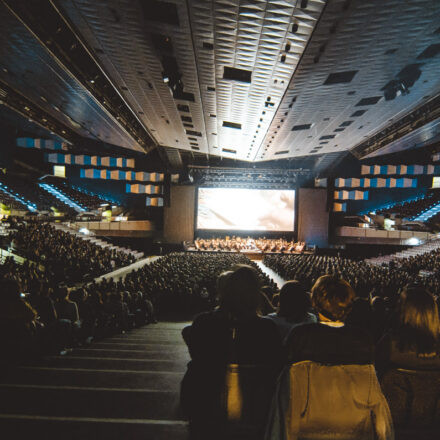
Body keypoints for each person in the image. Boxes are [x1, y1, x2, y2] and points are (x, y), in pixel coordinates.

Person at [266, 275, 393, 440]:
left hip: (305, 424)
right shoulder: (363, 340)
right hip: (354, 428)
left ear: (314, 302)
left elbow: (284, 399)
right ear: (348, 305)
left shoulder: (299, 336)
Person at [181, 265, 283, 439]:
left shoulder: (203, 323)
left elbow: (195, 352)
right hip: (255, 409)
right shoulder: (268, 329)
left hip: (205, 405)